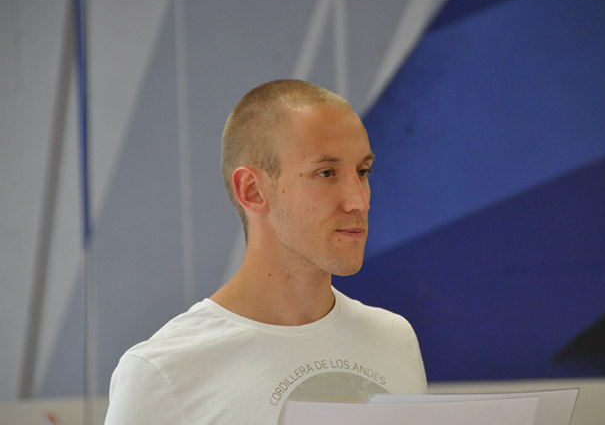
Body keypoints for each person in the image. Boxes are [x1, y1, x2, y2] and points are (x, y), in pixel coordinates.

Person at [104, 80, 426, 424]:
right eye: (326, 173)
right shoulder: (161, 373)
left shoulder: (395, 339)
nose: (359, 201)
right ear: (253, 191)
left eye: (362, 172)